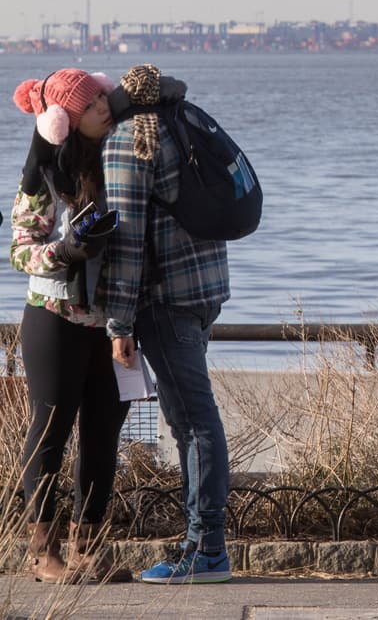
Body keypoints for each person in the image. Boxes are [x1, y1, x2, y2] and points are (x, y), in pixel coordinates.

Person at [101, 63, 233, 585]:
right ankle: (205, 547)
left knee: (194, 422)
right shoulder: (184, 125)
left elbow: (127, 241)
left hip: (164, 301)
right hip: (206, 291)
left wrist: (118, 323)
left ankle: (206, 552)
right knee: (194, 419)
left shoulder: (128, 141)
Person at [10, 68, 132, 584]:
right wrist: (65, 251)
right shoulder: (43, 174)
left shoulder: (121, 161)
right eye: (89, 105)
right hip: (54, 318)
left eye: (102, 97)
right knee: (50, 433)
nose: (103, 107)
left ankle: (89, 544)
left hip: (112, 324)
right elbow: (19, 252)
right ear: (64, 120)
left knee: (105, 434)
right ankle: (41, 551)